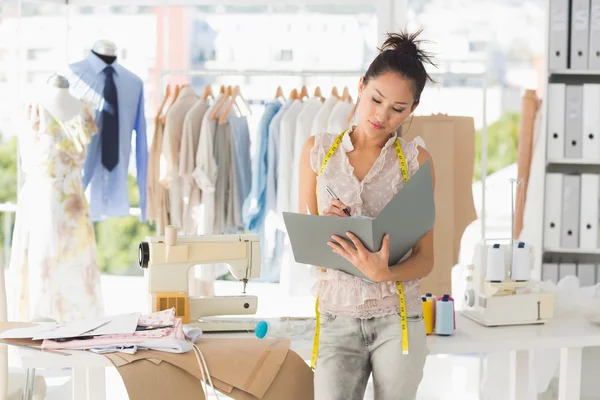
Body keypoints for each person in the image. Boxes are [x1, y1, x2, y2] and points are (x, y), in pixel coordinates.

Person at [298, 29, 436, 400]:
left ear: (413, 109)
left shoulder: (416, 162)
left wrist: (385, 272)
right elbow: (306, 244)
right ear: (360, 87)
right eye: (376, 99)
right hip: (335, 317)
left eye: (398, 109)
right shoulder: (317, 153)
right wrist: (325, 226)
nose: (382, 115)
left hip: (398, 318)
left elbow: (426, 259)